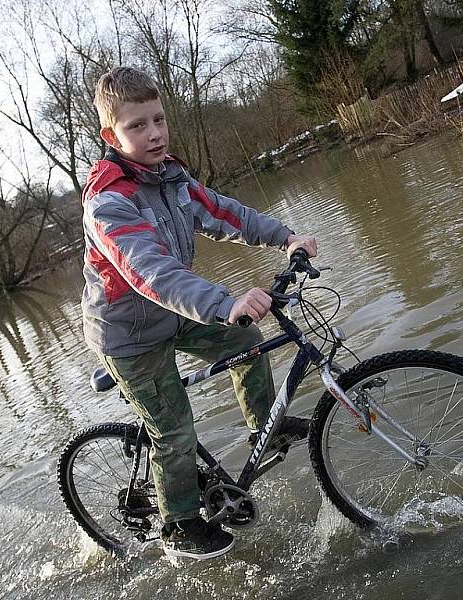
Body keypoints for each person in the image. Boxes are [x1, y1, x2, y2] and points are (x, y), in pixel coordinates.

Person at [81, 66, 317, 560]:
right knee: (175, 430)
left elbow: (226, 213)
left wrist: (285, 237)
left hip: (171, 314)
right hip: (129, 335)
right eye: (137, 125)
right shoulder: (109, 202)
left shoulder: (171, 179)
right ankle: (180, 526)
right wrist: (223, 303)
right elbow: (152, 274)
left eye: (159, 119)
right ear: (111, 136)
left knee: (247, 340)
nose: (154, 133)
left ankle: (264, 429)